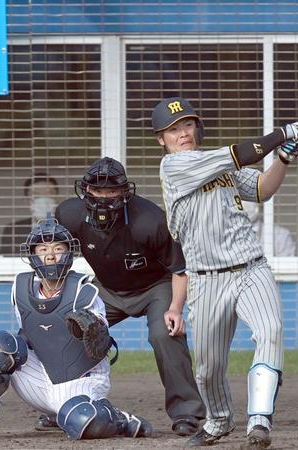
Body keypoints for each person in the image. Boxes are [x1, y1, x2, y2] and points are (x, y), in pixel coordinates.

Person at [153, 97, 298, 448]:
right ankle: (219, 420)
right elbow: (243, 153)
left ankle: (259, 422)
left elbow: (262, 189)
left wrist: (284, 157)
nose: (183, 133)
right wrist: (282, 133)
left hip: (251, 266)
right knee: (208, 370)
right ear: (162, 140)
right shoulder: (175, 168)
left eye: (188, 125)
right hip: (207, 279)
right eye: (173, 130)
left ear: (197, 127)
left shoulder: (220, 163)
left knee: (270, 330)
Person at [53, 156, 206, 436]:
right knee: (68, 327)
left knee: (165, 333)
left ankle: (187, 412)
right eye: (97, 191)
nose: (103, 197)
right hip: (108, 289)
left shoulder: (150, 219)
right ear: (86, 191)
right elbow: (55, 254)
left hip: (155, 287)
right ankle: (63, 405)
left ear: (125, 192)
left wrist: (175, 308)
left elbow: (180, 270)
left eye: (111, 191)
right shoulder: (69, 214)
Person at [0, 216, 153, 440]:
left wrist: (90, 329)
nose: (50, 255)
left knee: (83, 420)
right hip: (40, 380)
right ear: (33, 254)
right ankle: (55, 413)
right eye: (42, 248)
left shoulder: (85, 292)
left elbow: (100, 345)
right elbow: (28, 337)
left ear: (69, 253)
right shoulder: (19, 289)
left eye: (58, 248)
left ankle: (117, 418)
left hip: (82, 380)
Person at [0, 172, 59, 256]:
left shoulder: (70, 228)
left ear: (57, 198)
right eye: (37, 196)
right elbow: (4, 261)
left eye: (48, 194)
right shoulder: (13, 231)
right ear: (27, 202)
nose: (43, 201)